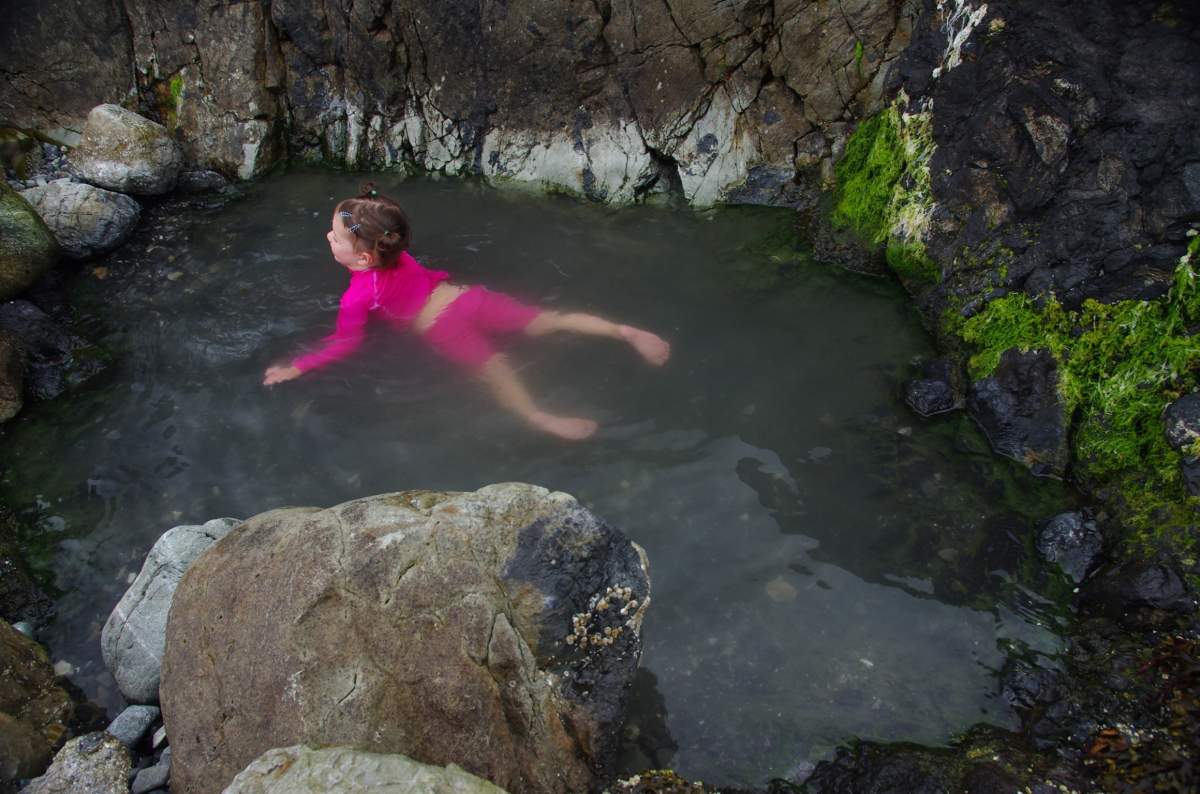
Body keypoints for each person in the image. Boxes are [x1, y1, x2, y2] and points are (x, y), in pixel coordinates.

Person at [263, 184, 671, 440]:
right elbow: (385, 231)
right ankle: (623, 331)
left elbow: (346, 342)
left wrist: (299, 366)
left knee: (496, 368)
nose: (328, 237)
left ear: (366, 258)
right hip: (465, 297)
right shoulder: (399, 253)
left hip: (444, 327)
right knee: (548, 322)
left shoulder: (356, 296)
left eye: (335, 238)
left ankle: (537, 416)